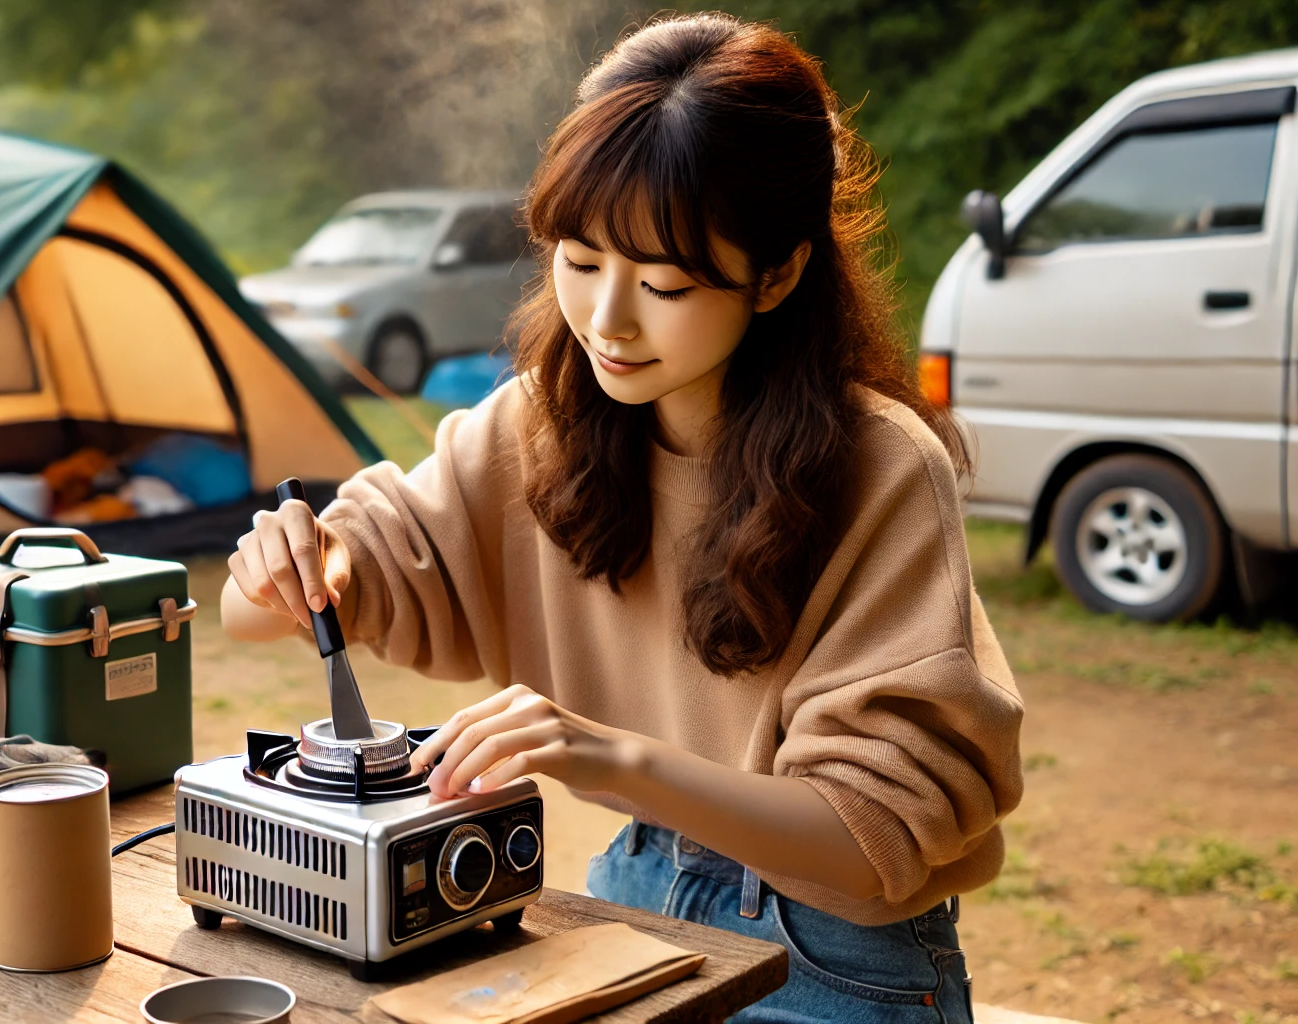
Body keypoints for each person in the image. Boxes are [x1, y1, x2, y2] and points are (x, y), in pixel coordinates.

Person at [222, 12, 1023, 1023]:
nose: (607, 319)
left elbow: (870, 840)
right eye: (580, 259)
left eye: (663, 283)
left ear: (775, 273)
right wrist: (300, 562)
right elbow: (255, 615)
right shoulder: (539, 428)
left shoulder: (877, 467)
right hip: (629, 891)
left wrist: (607, 755)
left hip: (832, 953)